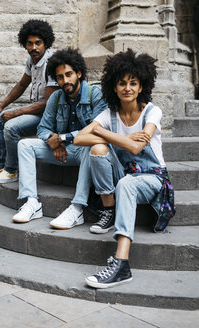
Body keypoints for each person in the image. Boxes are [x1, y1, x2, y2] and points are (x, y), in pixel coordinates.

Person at [74, 49, 175, 288]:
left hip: (152, 179)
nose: (127, 88)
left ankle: (121, 263)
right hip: (125, 175)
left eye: (133, 83)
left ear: (141, 87)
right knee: (97, 149)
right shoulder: (110, 114)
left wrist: (101, 132)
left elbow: (135, 148)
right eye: (122, 83)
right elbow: (79, 139)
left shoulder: (152, 111)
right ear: (114, 87)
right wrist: (109, 137)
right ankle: (109, 210)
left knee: (124, 178)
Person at [12, 48, 107, 228]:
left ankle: (77, 207)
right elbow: (42, 128)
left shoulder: (95, 94)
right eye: (60, 77)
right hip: (63, 151)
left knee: (91, 145)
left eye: (69, 74)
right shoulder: (56, 97)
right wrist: (52, 142)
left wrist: (62, 138)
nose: (65, 80)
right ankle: (32, 202)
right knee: (25, 145)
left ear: (79, 73)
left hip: (83, 151)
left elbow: (96, 131)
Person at [0, 19, 59, 184]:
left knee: (11, 126)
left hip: (48, 116)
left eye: (38, 43)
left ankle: (11, 170)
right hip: (36, 110)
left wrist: (16, 112)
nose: (33, 48)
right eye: (29, 44)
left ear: (46, 43)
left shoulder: (52, 64)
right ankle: (0, 165)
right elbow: (22, 84)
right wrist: (1, 106)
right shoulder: (32, 60)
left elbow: (47, 103)